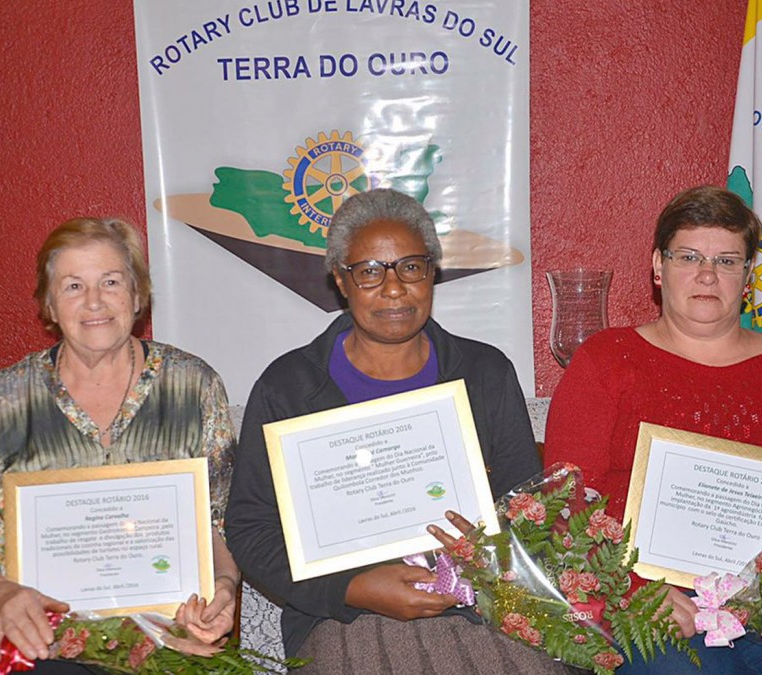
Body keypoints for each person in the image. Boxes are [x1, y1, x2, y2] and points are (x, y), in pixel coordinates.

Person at [544, 186, 762, 674]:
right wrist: (637, 588)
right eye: (689, 256)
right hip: (656, 605)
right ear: (658, 266)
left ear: (748, 276)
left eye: (728, 261)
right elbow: (565, 501)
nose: (708, 274)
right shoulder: (606, 362)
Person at [225, 188, 566, 673]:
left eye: (410, 267)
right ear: (341, 281)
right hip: (342, 616)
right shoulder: (289, 388)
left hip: (481, 609)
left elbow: (527, 509)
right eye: (368, 272)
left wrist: (483, 558)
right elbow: (252, 527)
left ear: (432, 273)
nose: (393, 289)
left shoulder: (485, 373)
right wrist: (349, 588)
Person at [0, 217, 240, 672]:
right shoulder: (4, 399)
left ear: (138, 296)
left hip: (171, 640)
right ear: (49, 305)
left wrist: (224, 589)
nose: (94, 301)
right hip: (43, 644)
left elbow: (223, 521)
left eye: (111, 281)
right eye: (73, 285)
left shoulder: (192, 386)